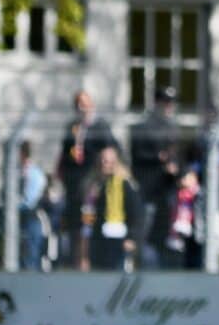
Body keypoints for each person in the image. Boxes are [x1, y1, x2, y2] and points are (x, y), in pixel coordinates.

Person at [55, 90, 116, 269]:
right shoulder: (72, 127)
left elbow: (110, 151)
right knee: (75, 228)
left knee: (88, 227)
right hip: (73, 185)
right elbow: (65, 154)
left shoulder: (100, 126)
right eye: (79, 104)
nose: (82, 108)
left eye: (85, 103)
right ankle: (77, 261)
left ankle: (89, 261)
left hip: (91, 184)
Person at [129, 86, 186, 264]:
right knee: (146, 235)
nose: (169, 106)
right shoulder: (143, 127)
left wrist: (179, 171)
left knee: (169, 237)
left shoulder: (173, 128)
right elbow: (137, 156)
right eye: (165, 102)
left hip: (169, 192)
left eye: (171, 102)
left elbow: (179, 158)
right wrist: (159, 159)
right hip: (150, 192)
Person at [82, 145, 143, 272]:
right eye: (103, 160)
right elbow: (89, 214)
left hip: (119, 239)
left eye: (110, 161)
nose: (106, 164)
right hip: (99, 240)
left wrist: (131, 237)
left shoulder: (124, 185)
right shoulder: (94, 185)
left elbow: (136, 213)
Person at [17, 140, 51, 271]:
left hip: (30, 220)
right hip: (21, 221)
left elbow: (29, 202)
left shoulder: (34, 174)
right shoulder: (19, 172)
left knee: (30, 262)